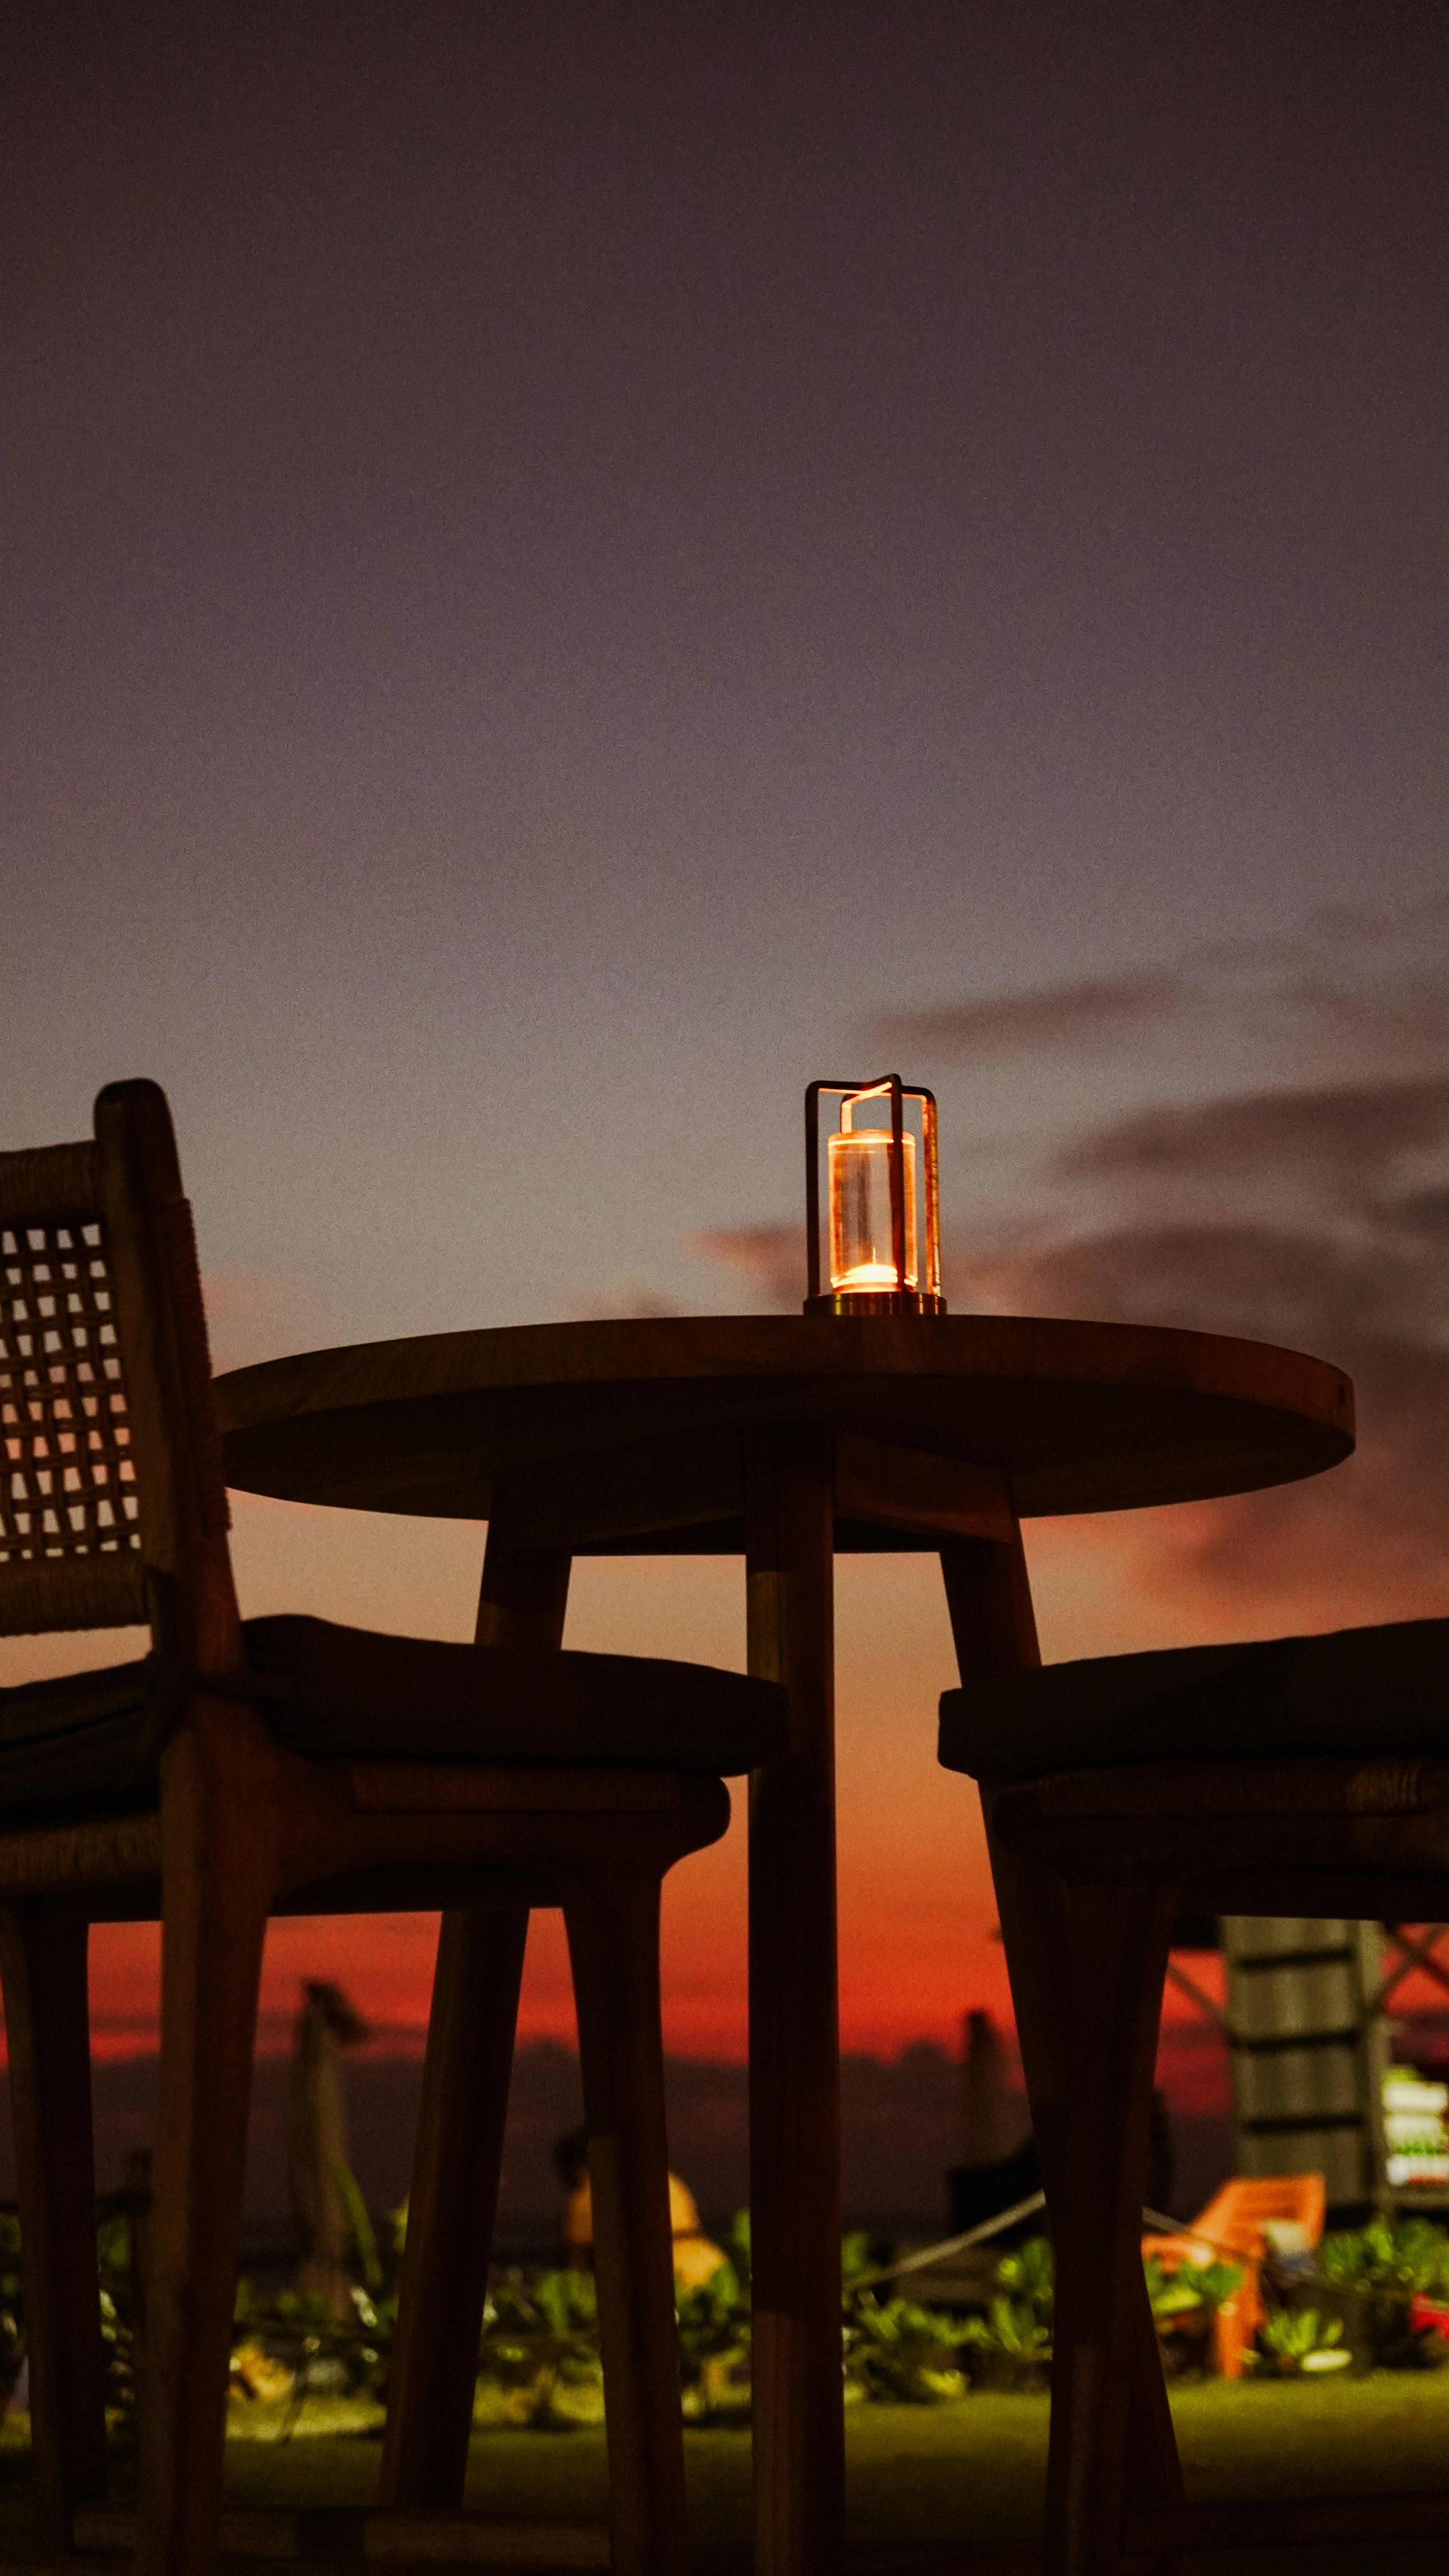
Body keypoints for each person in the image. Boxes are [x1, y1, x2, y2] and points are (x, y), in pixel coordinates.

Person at [553, 2126, 726, 2288]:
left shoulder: (591, 2193)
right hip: (714, 2268)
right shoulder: (665, 2179)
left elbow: (578, 2264)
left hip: (666, 2276)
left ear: (578, 2167)